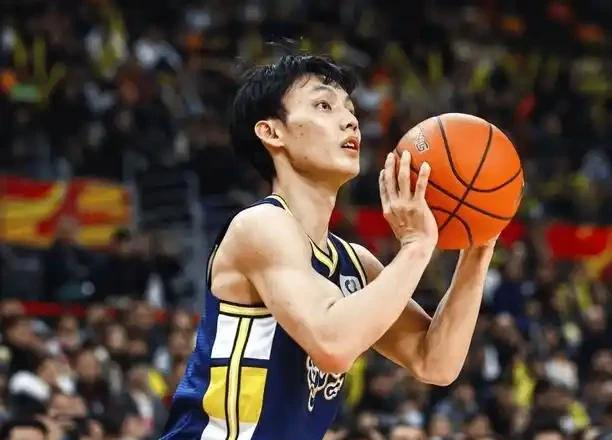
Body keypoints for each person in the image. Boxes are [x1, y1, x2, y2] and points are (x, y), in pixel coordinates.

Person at [160, 54, 495, 440]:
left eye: (350, 109)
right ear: (272, 132)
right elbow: (332, 344)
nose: (350, 120)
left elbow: (434, 362)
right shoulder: (260, 226)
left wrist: (478, 249)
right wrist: (418, 245)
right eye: (323, 105)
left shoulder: (354, 263)